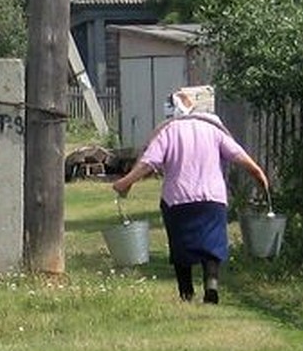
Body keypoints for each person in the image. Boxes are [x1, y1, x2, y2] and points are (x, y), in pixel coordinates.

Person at [112, 89, 269, 304]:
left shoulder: (169, 131)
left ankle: (186, 293)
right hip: (212, 200)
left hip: (178, 200)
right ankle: (211, 284)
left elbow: (149, 161)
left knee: (181, 247)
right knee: (212, 244)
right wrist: (258, 173)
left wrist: (126, 181)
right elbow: (238, 155)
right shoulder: (214, 129)